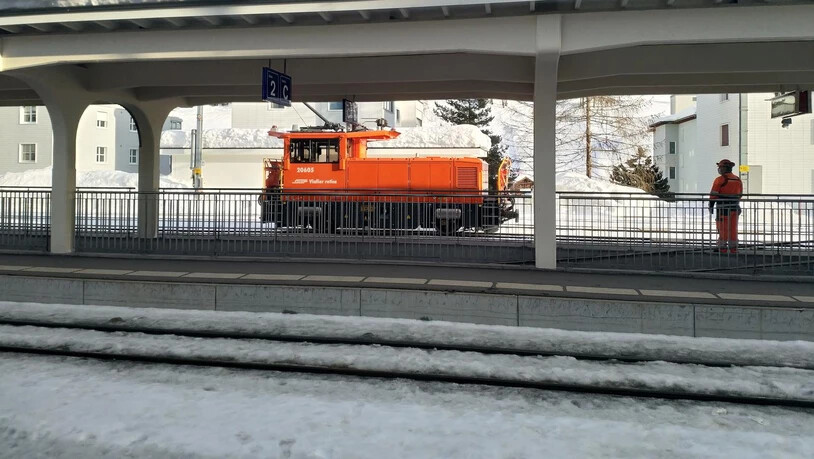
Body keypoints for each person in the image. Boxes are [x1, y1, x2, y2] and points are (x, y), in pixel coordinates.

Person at [709, 159, 743, 253]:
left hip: (723, 208)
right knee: (733, 228)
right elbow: (740, 194)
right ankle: (733, 248)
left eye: (720, 167)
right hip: (735, 208)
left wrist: (711, 205)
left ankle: (722, 247)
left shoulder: (720, 180)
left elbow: (713, 194)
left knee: (722, 228)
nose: (719, 169)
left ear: (725, 168)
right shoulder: (737, 179)